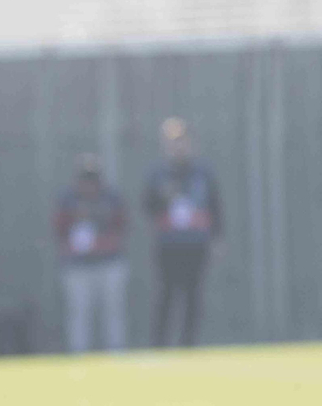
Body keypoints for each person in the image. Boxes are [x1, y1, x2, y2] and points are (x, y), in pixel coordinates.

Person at [143, 117, 222, 347]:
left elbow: (215, 206)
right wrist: (164, 199)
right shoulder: (158, 174)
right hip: (168, 245)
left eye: (182, 141)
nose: (178, 146)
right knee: (166, 295)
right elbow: (147, 206)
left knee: (193, 295)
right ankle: (159, 344)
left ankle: (188, 344)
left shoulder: (203, 173)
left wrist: (217, 238)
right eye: (173, 141)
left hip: (195, 244)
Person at [53, 155, 129, 353]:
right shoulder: (67, 199)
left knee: (113, 312)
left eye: (92, 178)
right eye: (85, 179)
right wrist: (72, 246)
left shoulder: (111, 197)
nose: (89, 184)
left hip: (108, 262)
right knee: (79, 312)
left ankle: (116, 352)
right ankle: (79, 354)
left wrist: (103, 243)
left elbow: (122, 227)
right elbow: (59, 230)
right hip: (78, 265)